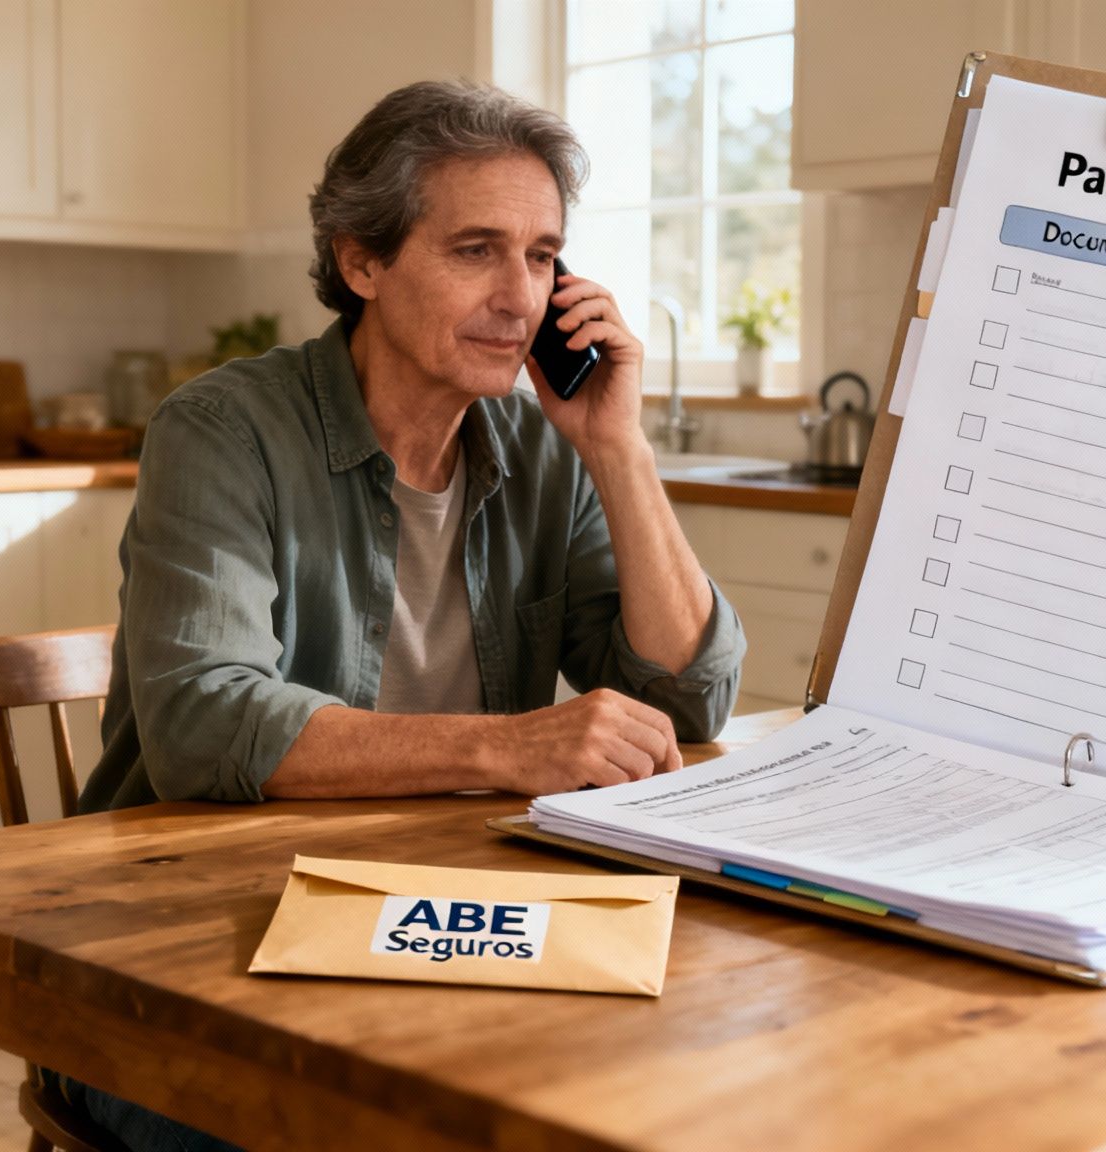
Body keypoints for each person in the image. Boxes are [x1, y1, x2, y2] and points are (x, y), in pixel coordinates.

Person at [64, 80, 746, 1149]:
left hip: (439, 925)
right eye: (475, 249)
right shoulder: (222, 430)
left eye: (540, 254)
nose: (520, 297)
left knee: (679, 1083)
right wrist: (510, 745)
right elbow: (201, 723)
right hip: (185, 957)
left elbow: (688, 695)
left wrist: (618, 447)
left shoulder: (536, 450)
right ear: (360, 261)